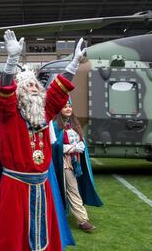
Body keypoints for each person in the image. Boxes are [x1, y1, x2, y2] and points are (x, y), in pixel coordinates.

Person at [0, 30, 86, 250]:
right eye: (28, 86)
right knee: (12, 239)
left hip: (42, 184)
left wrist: (73, 65)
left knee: (45, 238)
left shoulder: (44, 112)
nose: (33, 88)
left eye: (35, 85)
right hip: (15, 185)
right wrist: (12, 60)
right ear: (19, 93)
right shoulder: (9, 114)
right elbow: (4, 92)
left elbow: (58, 93)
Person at [52, 99, 103, 233]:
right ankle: (82, 220)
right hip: (64, 163)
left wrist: (81, 146)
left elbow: (81, 141)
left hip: (77, 162)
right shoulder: (54, 125)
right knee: (73, 189)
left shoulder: (75, 123)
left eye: (69, 106)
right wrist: (69, 148)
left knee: (74, 188)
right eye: (65, 107)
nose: (68, 109)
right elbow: (53, 146)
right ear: (59, 109)